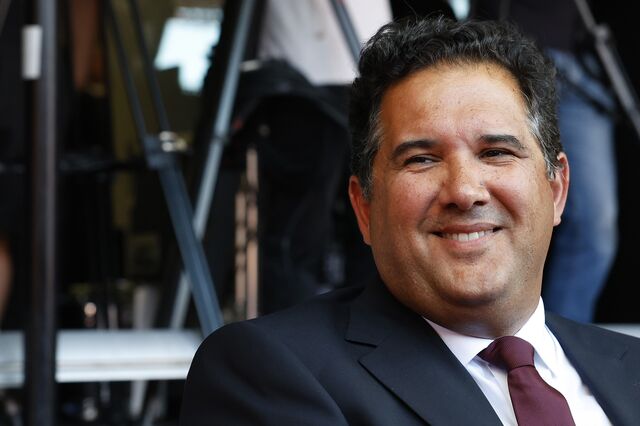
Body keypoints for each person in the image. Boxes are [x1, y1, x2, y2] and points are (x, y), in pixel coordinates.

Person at [180, 17, 640, 425]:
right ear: (364, 207)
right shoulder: (268, 371)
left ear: (556, 190)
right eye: (421, 159)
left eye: (496, 152)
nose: (465, 191)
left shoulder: (631, 367)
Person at [471, 0, 618, 324]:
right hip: (503, 59)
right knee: (489, 211)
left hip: (582, 70)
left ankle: (555, 340)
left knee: (595, 228)